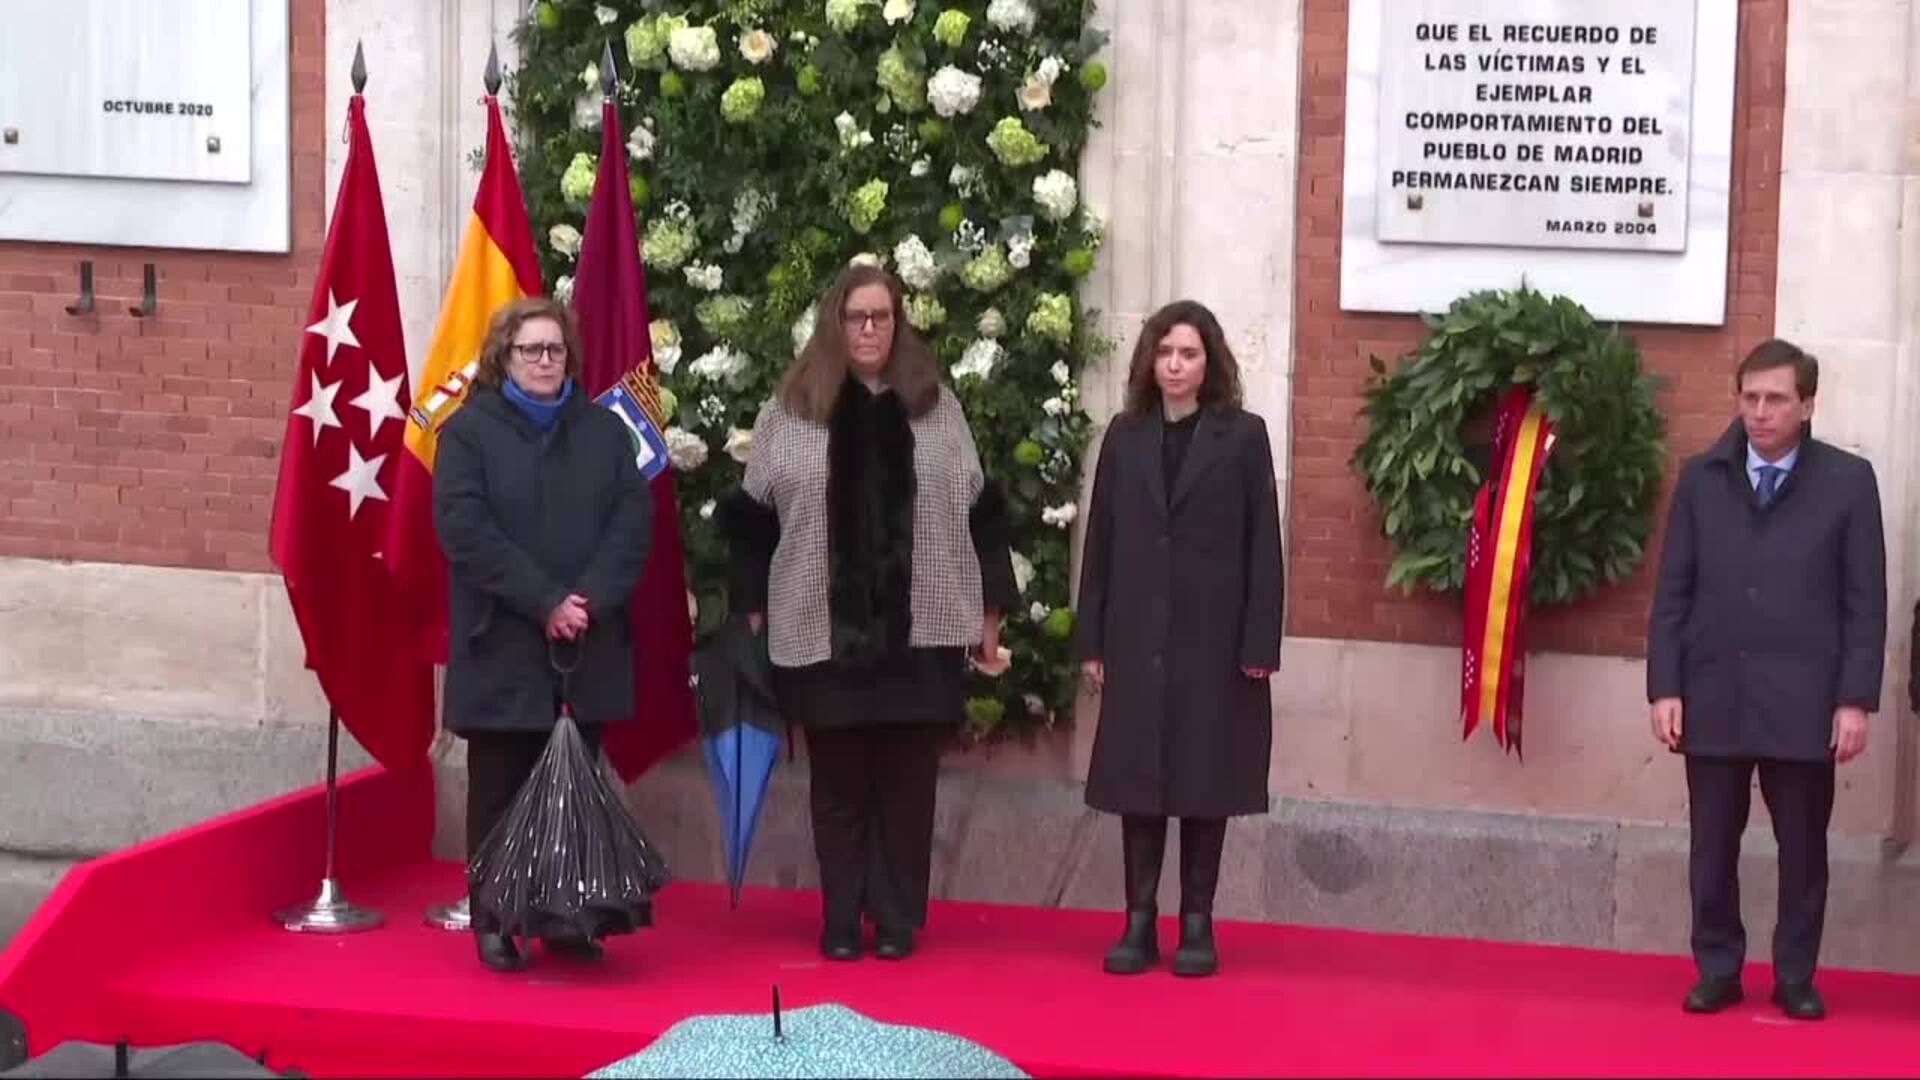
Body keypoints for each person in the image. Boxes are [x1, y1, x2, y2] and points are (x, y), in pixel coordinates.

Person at [719, 265, 1016, 962]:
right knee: (840, 785)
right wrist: (751, 617)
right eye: (857, 317)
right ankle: (843, 919)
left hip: (925, 632)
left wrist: (990, 616)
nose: (870, 330)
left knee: (909, 787)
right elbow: (752, 523)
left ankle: (898, 917)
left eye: (882, 316)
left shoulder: (937, 409)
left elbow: (982, 514)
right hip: (820, 635)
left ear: (899, 322)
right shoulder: (788, 411)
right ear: (836, 323)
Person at [1647, 338, 1886, 1021]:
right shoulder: (1701, 479)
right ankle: (1718, 969)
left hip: (1807, 703)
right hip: (1714, 692)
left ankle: (1795, 976)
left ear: (1806, 404)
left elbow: (1864, 601)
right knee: (1711, 846)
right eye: (1749, 397)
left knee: (1804, 851)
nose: (1759, 412)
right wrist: (1666, 686)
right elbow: (1673, 593)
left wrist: (1854, 700)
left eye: (1775, 399)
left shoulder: (1848, 482)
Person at [433, 297, 654, 972]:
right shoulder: (469, 433)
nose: (544, 362)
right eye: (531, 350)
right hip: (502, 642)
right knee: (500, 785)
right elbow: (464, 532)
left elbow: (632, 524)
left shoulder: (605, 433)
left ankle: (565, 918)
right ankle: (495, 918)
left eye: (554, 350)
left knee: (575, 785)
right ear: (505, 356)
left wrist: (585, 601)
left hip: (585, 644)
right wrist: (544, 600)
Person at [1075, 300, 1284, 977]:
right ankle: (1139, 920)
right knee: (1139, 780)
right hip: (1138, 634)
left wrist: (1259, 645)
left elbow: (1264, 548)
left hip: (1214, 640)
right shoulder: (1125, 435)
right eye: (1165, 353)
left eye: (1188, 354)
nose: (1175, 365)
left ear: (1209, 363)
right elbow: (1101, 541)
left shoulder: (1244, 437)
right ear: (1150, 361)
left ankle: (1198, 921)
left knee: (1204, 778)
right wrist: (1093, 639)